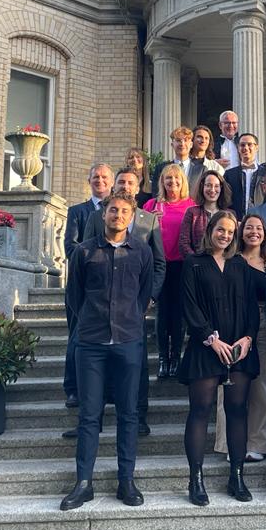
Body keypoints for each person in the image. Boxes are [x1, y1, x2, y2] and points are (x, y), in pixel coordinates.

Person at [61, 190, 156, 511]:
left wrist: (128, 318)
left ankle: (126, 481)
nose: (118, 215)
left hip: (128, 342)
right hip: (91, 344)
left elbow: (143, 296)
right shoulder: (84, 252)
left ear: (132, 217)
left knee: (129, 414)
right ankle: (83, 483)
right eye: (113, 210)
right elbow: (74, 296)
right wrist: (92, 319)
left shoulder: (141, 251)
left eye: (124, 212)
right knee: (89, 416)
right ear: (104, 215)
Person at [76, 167, 167, 437]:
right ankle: (95, 416)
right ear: (115, 186)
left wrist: (149, 297)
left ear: (138, 187)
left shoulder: (149, 220)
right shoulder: (97, 216)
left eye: (131, 182)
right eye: (121, 182)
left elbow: (158, 262)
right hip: (99, 310)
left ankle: (138, 415)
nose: (126, 186)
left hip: (134, 305)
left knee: (137, 367)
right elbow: (86, 256)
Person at [179, 210, 260, 506]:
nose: (225, 235)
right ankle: (195, 479)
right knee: (200, 410)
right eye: (220, 230)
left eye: (230, 231)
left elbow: (252, 306)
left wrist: (248, 338)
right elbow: (188, 305)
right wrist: (211, 339)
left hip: (238, 349)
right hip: (206, 347)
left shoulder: (240, 265)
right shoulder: (194, 263)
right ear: (210, 229)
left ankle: (236, 476)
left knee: (238, 410)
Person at [214, 213, 266, 462]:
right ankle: (231, 443)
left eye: (258, 228)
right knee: (228, 385)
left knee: (262, 385)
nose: (254, 232)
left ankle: (259, 443)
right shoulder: (229, 259)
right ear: (241, 232)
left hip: (263, 325)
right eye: (248, 227)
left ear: (265, 233)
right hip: (232, 325)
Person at [63, 163, 114, 408]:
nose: (100, 181)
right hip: (82, 284)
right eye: (96, 177)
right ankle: (72, 388)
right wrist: (95, 256)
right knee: (76, 337)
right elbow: (70, 247)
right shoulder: (77, 211)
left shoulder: (118, 211)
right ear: (89, 180)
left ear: (112, 182)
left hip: (109, 286)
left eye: (105, 177)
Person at [144, 164, 196, 378]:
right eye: (168, 179)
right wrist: (150, 221)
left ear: (183, 182)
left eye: (176, 179)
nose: (172, 183)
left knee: (179, 313)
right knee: (162, 312)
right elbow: (139, 237)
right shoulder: (151, 205)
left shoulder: (190, 205)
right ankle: (163, 359)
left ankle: (176, 358)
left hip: (181, 264)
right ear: (162, 182)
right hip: (159, 264)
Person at [179, 170, 231, 258]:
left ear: (221, 188)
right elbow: (183, 243)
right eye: (208, 185)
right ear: (202, 187)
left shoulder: (229, 214)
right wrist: (196, 261)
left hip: (223, 265)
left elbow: (234, 243)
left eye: (216, 186)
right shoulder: (192, 212)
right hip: (197, 266)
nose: (212, 190)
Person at [223, 133, 263, 220]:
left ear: (257, 147)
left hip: (261, 221)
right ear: (238, 148)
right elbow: (225, 200)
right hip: (235, 221)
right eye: (242, 145)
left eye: (249, 144)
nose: (246, 148)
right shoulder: (229, 174)